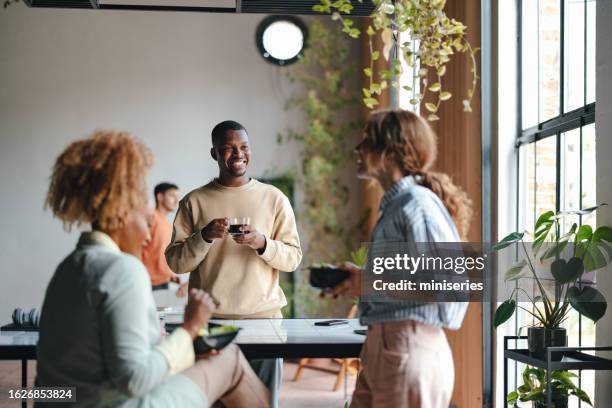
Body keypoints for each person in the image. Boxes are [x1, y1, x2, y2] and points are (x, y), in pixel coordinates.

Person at [37, 130, 269, 408]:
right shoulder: (123, 270)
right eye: (146, 215)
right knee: (230, 361)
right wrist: (190, 327)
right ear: (120, 212)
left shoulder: (67, 268)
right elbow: (134, 379)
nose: (150, 227)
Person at [331, 109, 472, 408]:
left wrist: (368, 282)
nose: (358, 149)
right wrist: (359, 278)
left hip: (407, 348)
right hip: (385, 349)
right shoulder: (399, 206)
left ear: (390, 153)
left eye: (367, 141)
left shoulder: (417, 206)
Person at [165, 120, 302, 407]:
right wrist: (204, 236)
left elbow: (293, 258)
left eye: (243, 147)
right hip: (210, 325)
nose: (238, 154)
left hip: (263, 322)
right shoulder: (194, 201)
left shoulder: (274, 198)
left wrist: (261, 243)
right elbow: (176, 263)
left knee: (262, 402)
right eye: (228, 148)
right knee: (213, 403)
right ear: (214, 154)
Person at [142, 182, 182, 290]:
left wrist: (168, 274)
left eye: (177, 197)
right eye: (172, 196)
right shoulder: (151, 217)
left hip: (163, 281)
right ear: (159, 197)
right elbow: (138, 247)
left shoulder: (168, 225)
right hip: (147, 282)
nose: (176, 200)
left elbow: (160, 253)